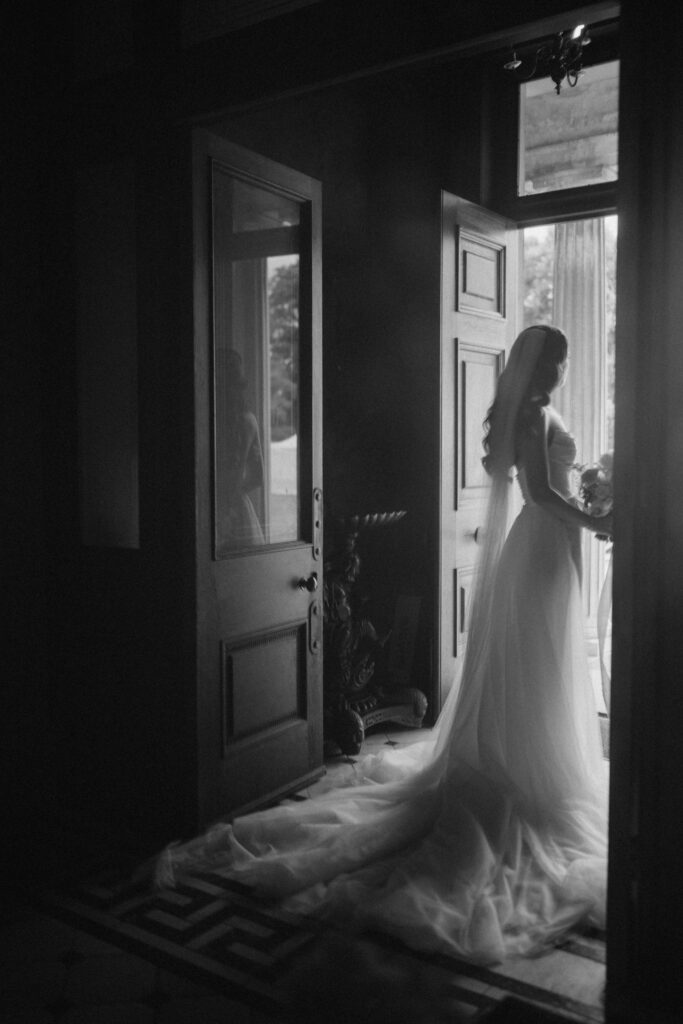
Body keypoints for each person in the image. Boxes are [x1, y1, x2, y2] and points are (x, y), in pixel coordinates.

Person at [155, 325, 611, 965]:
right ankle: (523, 771)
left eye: (565, 359)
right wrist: (598, 518)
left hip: (546, 548)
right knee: (536, 661)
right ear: (538, 364)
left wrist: (591, 497)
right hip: (541, 549)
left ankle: (529, 756)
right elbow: (536, 493)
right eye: (558, 359)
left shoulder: (532, 411)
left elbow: (521, 477)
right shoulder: (534, 413)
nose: (563, 369)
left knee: (542, 666)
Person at [219, 349, 265, 551]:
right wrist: (236, 490)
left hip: (208, 510)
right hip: (235, 508)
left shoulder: (205, 421)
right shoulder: (248, 422)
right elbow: (258, 478)